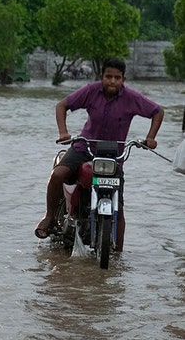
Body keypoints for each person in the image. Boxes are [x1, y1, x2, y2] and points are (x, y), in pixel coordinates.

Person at [35, 57, 163, 251]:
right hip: (83, 149)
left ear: (123, 79)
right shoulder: (90, 91)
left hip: (112, 157)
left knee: (118, 206)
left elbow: (157, 111)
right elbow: (62, 106)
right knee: (58, 174)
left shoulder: (132, 98)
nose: (113, 81)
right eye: (108, 76)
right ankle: (49, 217)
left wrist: (150, 137)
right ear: (101, 77)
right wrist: (63, 132)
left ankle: (118, 255)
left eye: (117, 78)